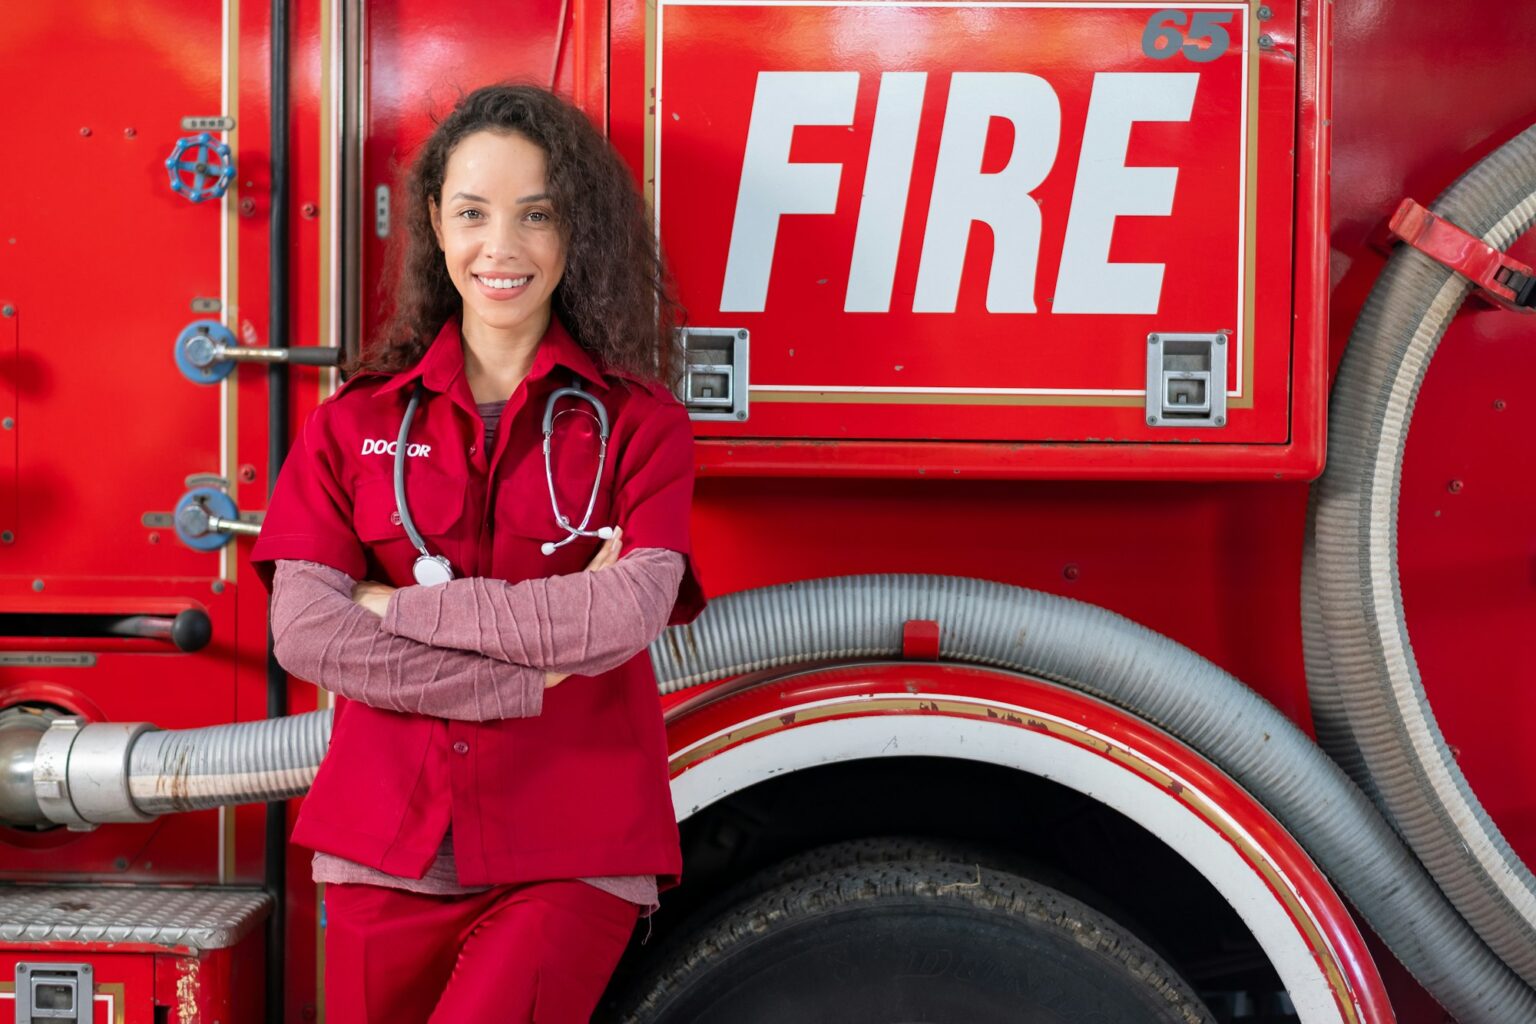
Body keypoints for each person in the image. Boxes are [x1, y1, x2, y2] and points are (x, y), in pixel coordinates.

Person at [249, 83, 705, 1023]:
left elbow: (622, 617)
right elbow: (305, 634)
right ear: (435, 224)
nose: (502, 247)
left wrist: (391, 606)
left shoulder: (642, 424)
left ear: (574, 230)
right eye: (473, 213)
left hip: (572, 847)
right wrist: (522, 681)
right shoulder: (353, 421)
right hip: (384, 847)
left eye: (536, 214)